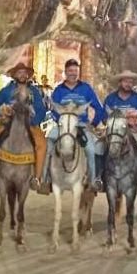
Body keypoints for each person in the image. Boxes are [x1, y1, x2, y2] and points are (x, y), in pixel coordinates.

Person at [43, 59, 106, 191]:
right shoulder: (59, 90)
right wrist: (60, 120)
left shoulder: (86, 89)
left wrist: (94, 122)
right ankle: (45, 179)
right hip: (62, 125)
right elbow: (53, 109)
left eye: (75, 71)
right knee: (48, 143)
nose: (73, 74)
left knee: (90, 149)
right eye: (70, 71)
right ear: (65, 72)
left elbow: (98, 108)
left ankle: (92, 181)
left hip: (81, 125)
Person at [0, 62, 48, 191]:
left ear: (28, 75)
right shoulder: (7, 90)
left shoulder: (34, 91)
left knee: (42, 143)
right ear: (15, 75)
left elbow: (41, 109)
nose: (22, 75)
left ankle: (37, 178)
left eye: (24, 72)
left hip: (29, 122)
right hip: (9, 122)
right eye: (19, 72)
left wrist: (34, 121)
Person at [102, 70, 137, 193]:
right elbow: (104, 117)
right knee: (99, 147)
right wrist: (110, 126)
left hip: (132, 130)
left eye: (131, 82)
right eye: (126, 81)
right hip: (114, 130)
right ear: (120, 82)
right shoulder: (111, 98)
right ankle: (100, 178)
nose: (128, 84)